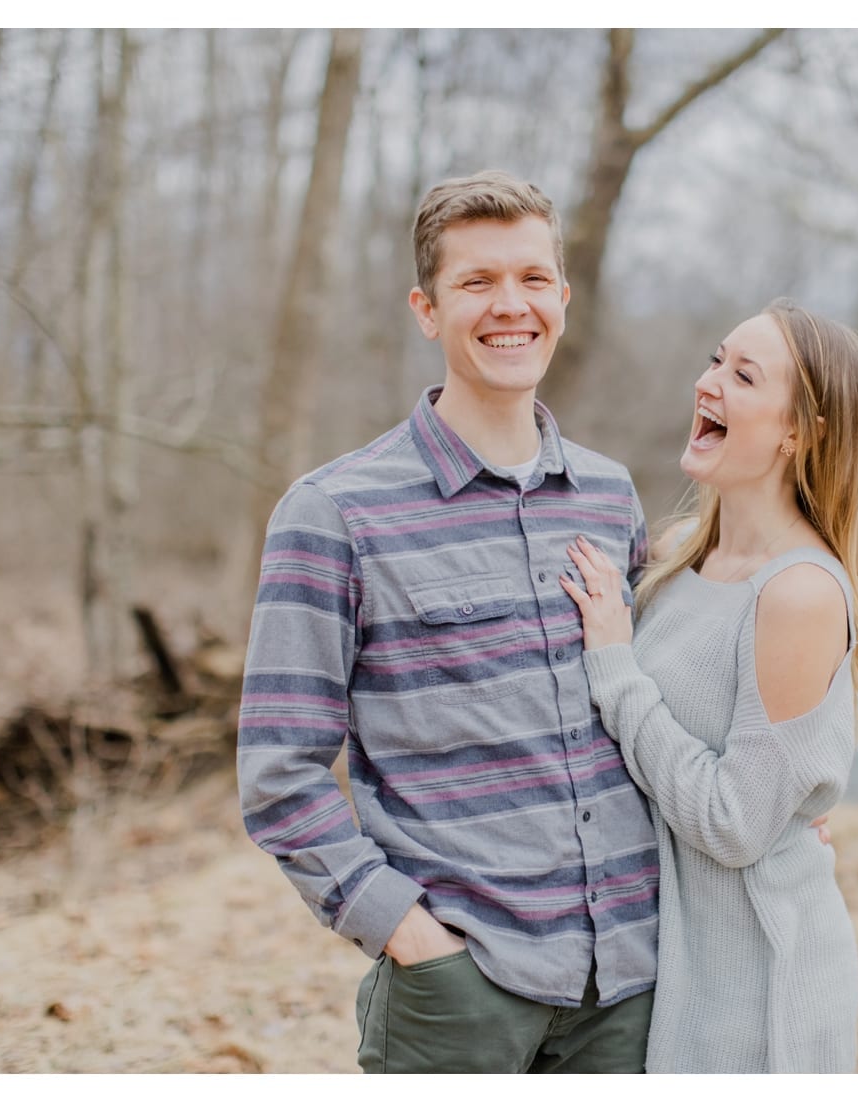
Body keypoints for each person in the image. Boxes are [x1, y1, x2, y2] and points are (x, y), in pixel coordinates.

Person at [237, 170, 661, 1073]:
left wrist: (778, 801)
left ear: (564, 297)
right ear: (427, 310)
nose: (512, 306)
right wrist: (410, 937)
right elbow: (280, 772)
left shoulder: (611, 496)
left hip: (629, 986)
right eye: (477, 283)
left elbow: (652, 708)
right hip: (460, 993)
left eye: (533, 279)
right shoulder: (334, 512)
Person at [558, 299, 858, 1073]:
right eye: (715, 360)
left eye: (743, 376)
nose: (709, 384)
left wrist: (616, 664)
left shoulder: (800, 592)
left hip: (757, 988)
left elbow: (737, 824)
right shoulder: (675, 555)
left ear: (799, 431)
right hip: (668, 965)